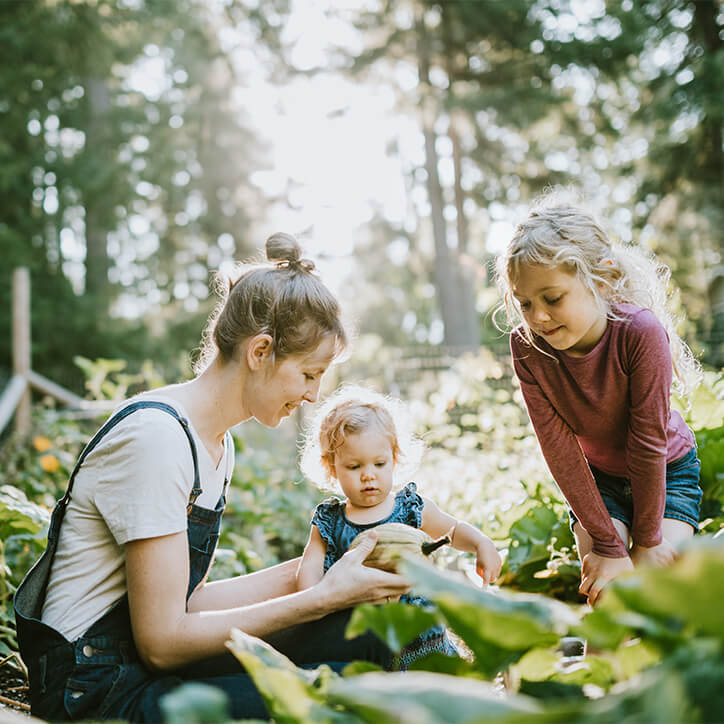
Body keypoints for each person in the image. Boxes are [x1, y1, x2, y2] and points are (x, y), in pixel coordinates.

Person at [14, 233, 411, 723]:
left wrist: (323, 567)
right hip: (95, 692)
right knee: (332, 701)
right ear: (260, 351)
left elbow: (186, 600)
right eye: (309, 374)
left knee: (368, 632)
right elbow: (162, 641)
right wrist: (318, 598)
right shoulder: (157, 439)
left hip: (140, 665)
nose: (312, 396)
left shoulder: (215, 444)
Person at [495, 194, 703, 606]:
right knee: (609, 597)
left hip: (667, 471)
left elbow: (647, 443)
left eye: (552, 298)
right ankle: (598, 672)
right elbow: (559, 451)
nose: (537, 317)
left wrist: (646, 541)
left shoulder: (639, 333)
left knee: (654, 596)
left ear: (601, 281)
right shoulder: (528, 348)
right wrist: (608, 546)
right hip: (598, 483)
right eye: (525, 304)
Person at [296, 385, 502, 667]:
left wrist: (480, 543)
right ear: (332, 467)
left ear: (394, 458)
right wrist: (315, 601)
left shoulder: (410, 509)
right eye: (354, 467)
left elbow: (451, 530)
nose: (368, 475)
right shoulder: (330, 522)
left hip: (422, 638)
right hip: (366, 639)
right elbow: (309, 569)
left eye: (379, 464)